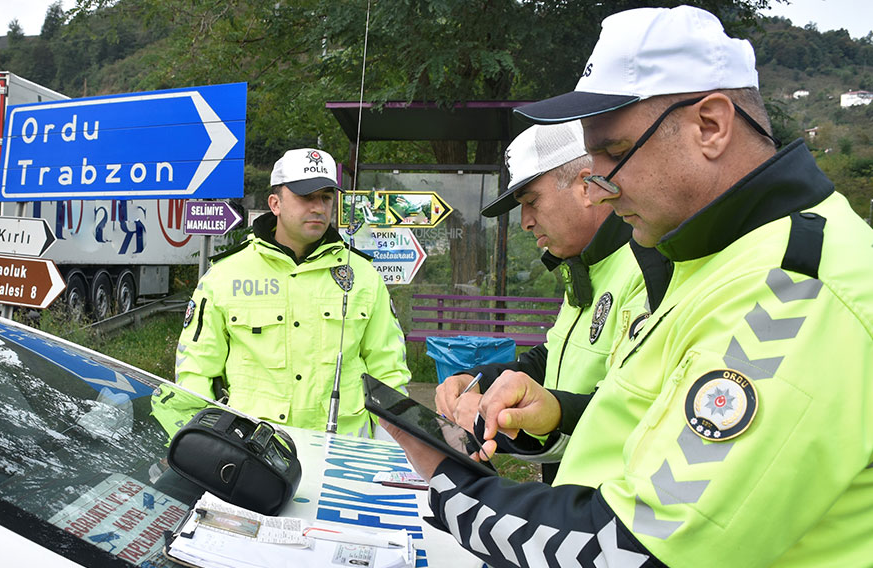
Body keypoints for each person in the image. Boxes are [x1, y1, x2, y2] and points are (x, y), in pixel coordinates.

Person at [383, 5, 873, 566]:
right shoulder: (710, 259)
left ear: (710, 125)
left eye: (614, 154)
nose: (597, 187)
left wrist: (449, 480)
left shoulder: (794, 289)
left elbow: (633, 550)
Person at [435, 121, 664, 484]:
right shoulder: (585, 266)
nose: (525, 222)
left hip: (613, 507)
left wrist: (551, 413)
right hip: (571, 497)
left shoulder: (651, 267)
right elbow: (551, 357)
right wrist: (479, 381)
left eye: (532, 201)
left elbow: (637, 410)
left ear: (586, 186)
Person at [173, 148, 411, 436]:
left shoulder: (362, 274)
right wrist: (202, 445)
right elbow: (196, 371)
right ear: (275, 203)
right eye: (305, 197)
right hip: (254, 453)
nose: (318, 207)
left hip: (344, 452)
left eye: (325, 197)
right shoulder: (225, 275)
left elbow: (389, 372)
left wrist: (390, 452)